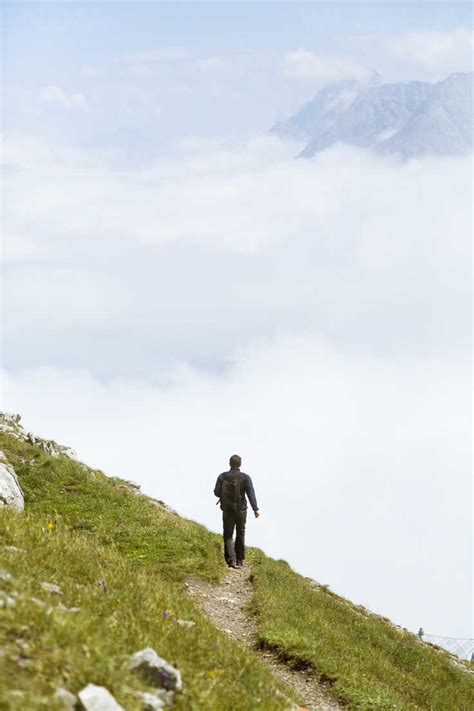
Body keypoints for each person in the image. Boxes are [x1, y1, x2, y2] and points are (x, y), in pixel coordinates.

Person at [214, 454, 260, 569]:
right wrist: (255, 509)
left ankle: (231, 561)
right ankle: (240, 560)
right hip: (241, 510)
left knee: (228, 534)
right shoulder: (245, 477)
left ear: (230, 463)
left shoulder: (222, 476)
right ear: (240, 464)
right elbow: (250, 494)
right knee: (240, 533)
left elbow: (216, 492)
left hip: (227, 509)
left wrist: (225, 496)